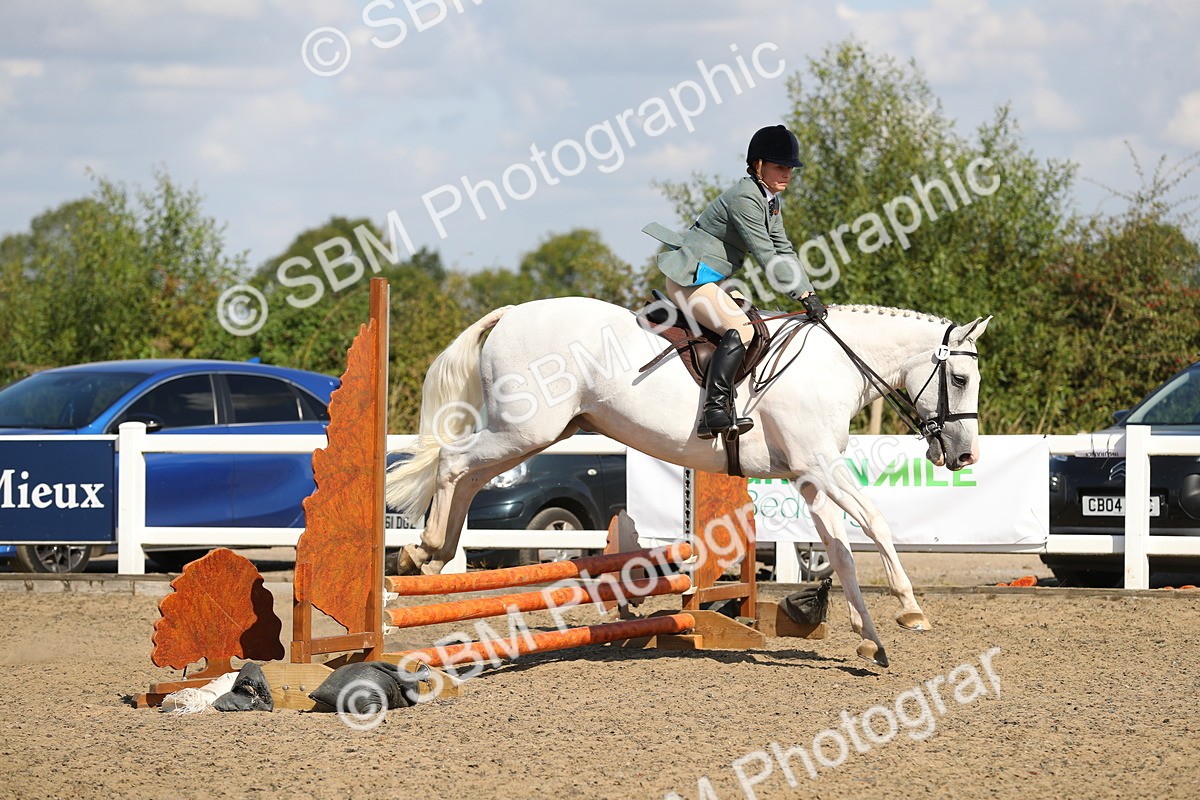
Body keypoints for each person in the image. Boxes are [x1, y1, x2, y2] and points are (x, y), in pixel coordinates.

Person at [643, 124, 827, 440]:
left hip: (710, 280)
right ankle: (713, 411)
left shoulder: (769, 200)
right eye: (779, 166)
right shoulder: (745, 198)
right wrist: (800, 293)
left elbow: (784, 249)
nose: (787, 174)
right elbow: (766, 253)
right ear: (758, 165)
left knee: (755, 322)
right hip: (690, 279)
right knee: (740, 330)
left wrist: (808, 290)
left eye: (790, 168)